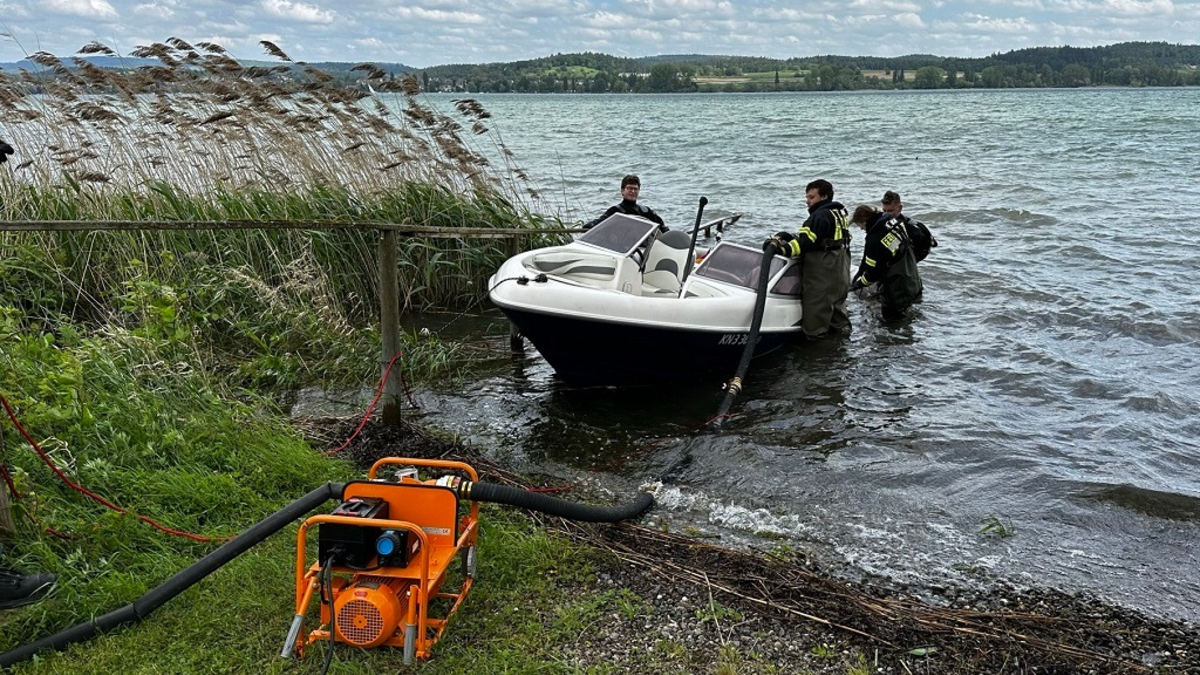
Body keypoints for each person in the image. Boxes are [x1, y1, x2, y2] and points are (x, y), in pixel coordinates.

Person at [771, 178, 852, 337]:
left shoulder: (819, 216)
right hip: (840, 270)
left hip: (823, 272)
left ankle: (816, 353)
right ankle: (841, 347)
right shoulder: (839, 213)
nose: (807, 201)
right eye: (807, 197)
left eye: (811, 197)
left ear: (824, 197)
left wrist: (782, 251)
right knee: (837, 312)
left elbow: (805, 242)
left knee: (816, 313)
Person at [849, 204, 922, 322]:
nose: (861, 229)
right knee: (909, 316)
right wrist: (860, 273)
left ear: (864, 221)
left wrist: (859, 284)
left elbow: (872, 274)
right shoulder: (891, 222)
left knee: (891, 324)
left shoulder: (874, 239)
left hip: (896, 289)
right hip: (912, 280)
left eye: (860, 225)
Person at [582, 174, 666, 231]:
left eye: (635, 189)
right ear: (622, 191)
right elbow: (600, 223)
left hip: (643, 250)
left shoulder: (645, 211)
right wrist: (589, 225)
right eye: (629, 188)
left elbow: (662, 227)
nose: (633, 191)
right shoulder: (615, 211)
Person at [881, 190, 937, 263]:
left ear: (900, 208)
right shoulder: (885, 222)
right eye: (884, 211)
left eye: (890, 211)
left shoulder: (910, 227)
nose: (886, 215)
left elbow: (932, 244)